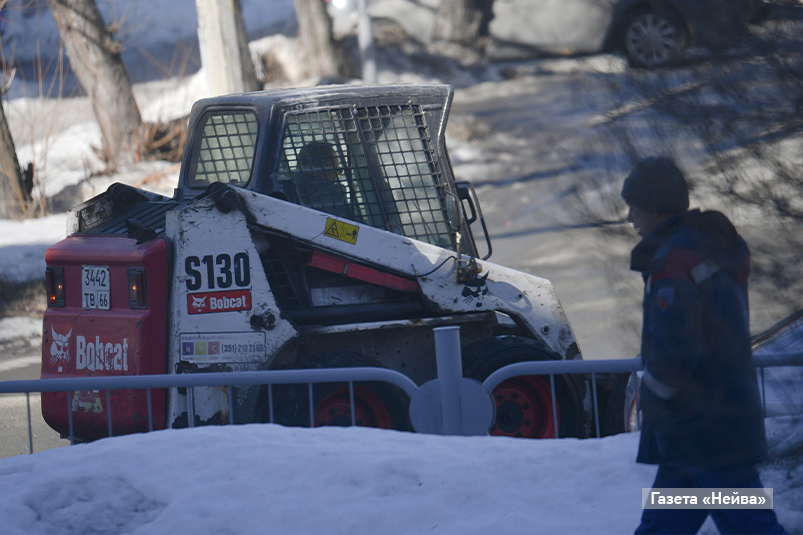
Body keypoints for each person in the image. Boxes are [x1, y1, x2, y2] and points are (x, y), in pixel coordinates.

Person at [621, 157, 787, 534]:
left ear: (655, 207)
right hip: (703, 430)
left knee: (752, 526)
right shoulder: (709, 246)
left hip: (705, 431)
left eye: (634, 206)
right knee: (663, 526)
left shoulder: (674, 261)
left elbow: (676, 347)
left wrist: (652, 394)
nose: (630, 218)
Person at [293, 141, 351, 219]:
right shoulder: (331, 197)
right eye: (338, 171)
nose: (338, 176)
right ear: (324, 174)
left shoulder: (290, 187)